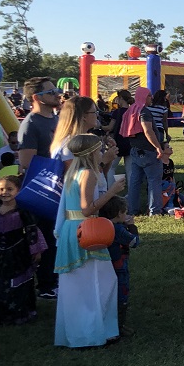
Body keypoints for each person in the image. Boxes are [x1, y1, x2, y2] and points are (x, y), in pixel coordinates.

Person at [54, 134, 124, 348]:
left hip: (71, 228)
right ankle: (94, 332)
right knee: (100, 281)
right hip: (86, 230)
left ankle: (80, 332)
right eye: (99, 150)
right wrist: (113, 191)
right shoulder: (87, 174)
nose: (101, 153)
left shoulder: (72, 172)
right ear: (92, 152)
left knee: (77, 283)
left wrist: (107, 162)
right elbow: (87, 208)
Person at [17, 76, 62, 300]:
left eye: (56, 90)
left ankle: (54, 278)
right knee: (46, 237)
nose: (57, 94)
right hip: (42, 190)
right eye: (51, 92)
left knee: (57, 235)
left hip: (58, 186)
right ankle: (45, 285)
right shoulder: (31, 124)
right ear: (37, 98)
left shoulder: (55, 119)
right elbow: (26, 162)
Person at [0, 175, 47, 324]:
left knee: (17, 281)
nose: (5, 192)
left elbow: (32, 231)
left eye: (10, 189)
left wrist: (35, 251)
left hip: (17, 253)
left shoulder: (23, 212)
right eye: (2, 189)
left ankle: (19, 311)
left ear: (18, 190)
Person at [121, 87, 167, 217]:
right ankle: (155, 210)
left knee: (135, 182)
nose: (151, 98)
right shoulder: (144, 111)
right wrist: (158, 147)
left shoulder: (131, 110)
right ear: (142, 97)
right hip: (148, 151)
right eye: (149, 96)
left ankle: (132, 209)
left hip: (135, 150)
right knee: (154, 181)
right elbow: (148, 130)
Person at [98, 195, 139, 336]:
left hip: (106, 265)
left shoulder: (102, 225)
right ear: (119, 213)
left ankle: (115, 324)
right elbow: (134, 242)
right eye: (125, 212)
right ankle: (119, 326)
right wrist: (132, 226)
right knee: (122, 294)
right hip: (120, 265)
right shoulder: (118, 230)